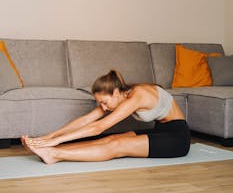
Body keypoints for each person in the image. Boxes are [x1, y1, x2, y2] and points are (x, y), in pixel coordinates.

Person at [22, 70, 190, 164]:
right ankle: (48, 151)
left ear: (116, 93)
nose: (102, 107)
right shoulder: (121, 96)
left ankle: (55, 154)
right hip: (160, 132)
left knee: (117, 145)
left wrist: (57, 140)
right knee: (112, 138)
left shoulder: (137, 95)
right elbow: (86, 120)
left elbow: (98, 127)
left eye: (103, 102)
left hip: (177, 139)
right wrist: (49, 137)